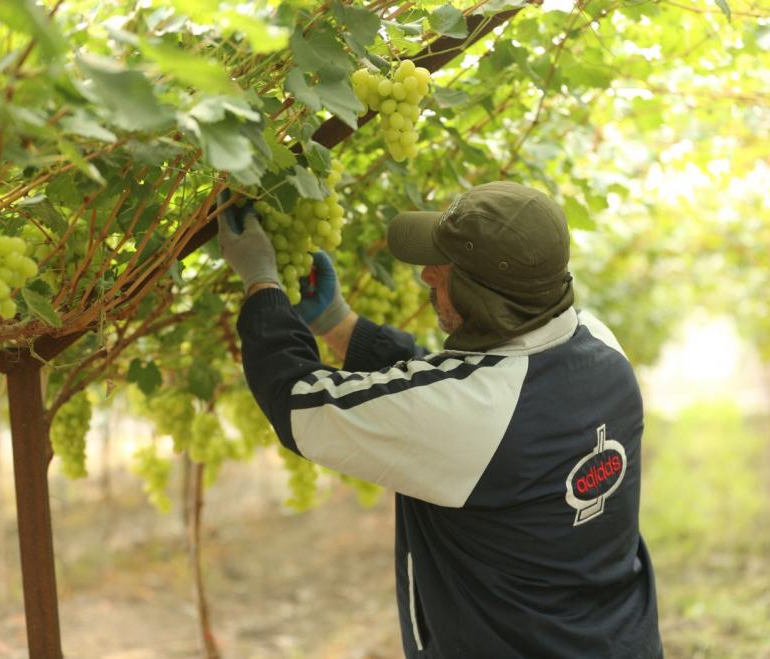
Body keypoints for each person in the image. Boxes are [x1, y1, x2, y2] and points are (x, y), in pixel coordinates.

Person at [219, 181, 663, 659]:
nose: (427, 276)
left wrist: (262, 283)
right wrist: (337, 323)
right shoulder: (599, 344)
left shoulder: (476, 415)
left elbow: (299, 404)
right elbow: (462, 393)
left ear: (481, 294)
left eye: (443, 268)